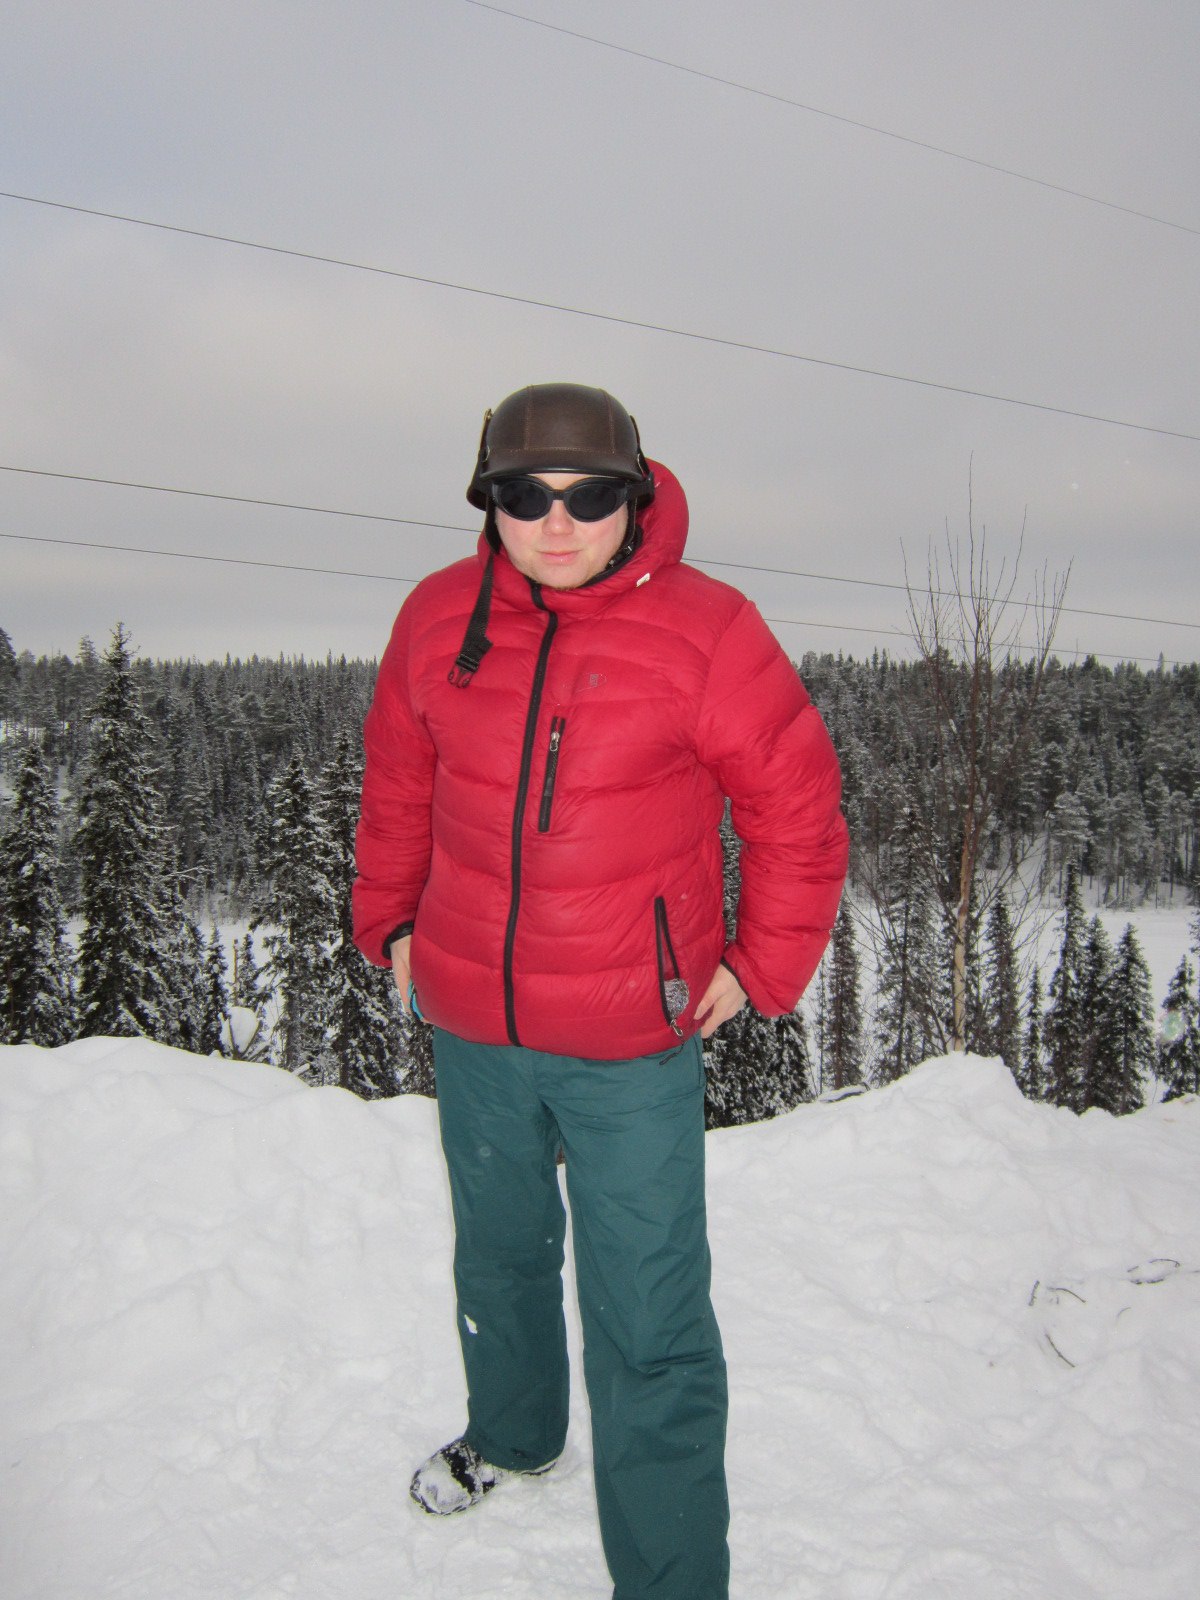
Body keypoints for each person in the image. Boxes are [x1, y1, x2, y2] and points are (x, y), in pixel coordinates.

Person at [353, 382, 848, 1600]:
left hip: (633, 1036)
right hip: (476, 1025)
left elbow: (798, 808)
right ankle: (515, 1434)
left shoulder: (708, 629)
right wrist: (394, 920)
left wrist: (759, 963)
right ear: (489, 500)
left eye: (590, 496)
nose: (557, 522)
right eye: (526, 495)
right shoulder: (437, 617)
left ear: (636, 495)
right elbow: (399, 784)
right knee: (500, 1255)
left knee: (650, 1321)